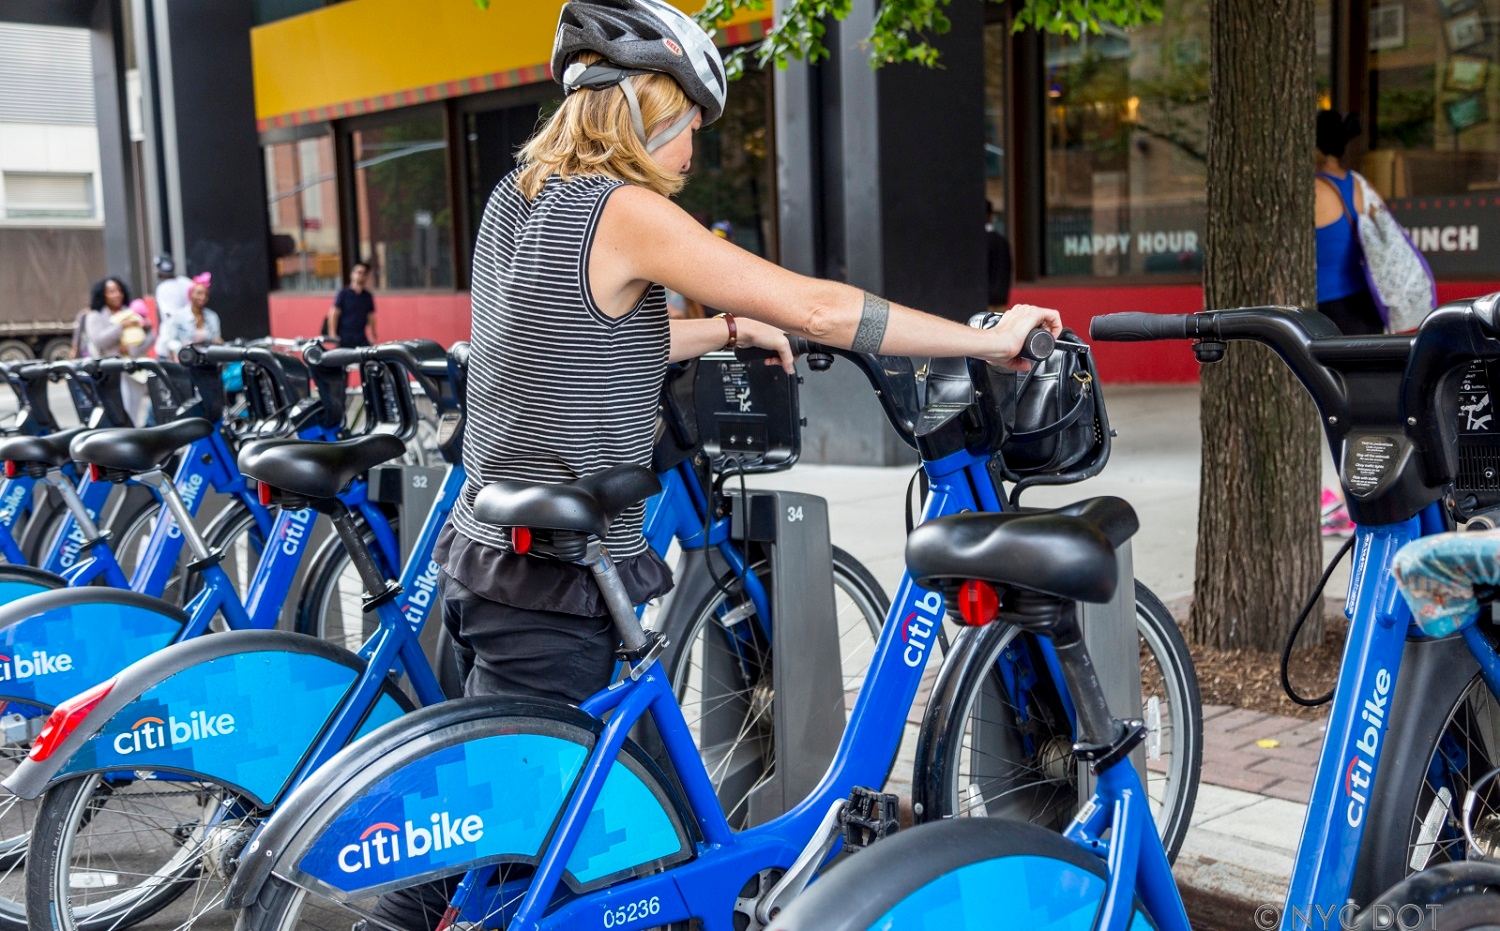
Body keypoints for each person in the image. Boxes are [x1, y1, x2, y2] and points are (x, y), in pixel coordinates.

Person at [373, 2, 1062, 925]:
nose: (698, 136)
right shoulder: (626, 209)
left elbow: (589, 337)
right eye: (693, 112)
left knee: (492, 830)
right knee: (523, 855)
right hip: (561, 580)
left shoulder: (519, 199)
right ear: (651, 104)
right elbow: (819, 307)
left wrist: (728, 327)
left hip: (488, 557)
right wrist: (983, 343)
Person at [1314, 109, 1384, 337]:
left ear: (1315, 147)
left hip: (1326, 312)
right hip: (1366, 307)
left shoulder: (1313, 190)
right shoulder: (1361, 185)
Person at [78, 277, 152, 424]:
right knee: (119, 412)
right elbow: (99, 340)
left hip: (133, 370)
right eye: (111, 291)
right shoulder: (95, 316)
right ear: (102, 295)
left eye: (119, 290)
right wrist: (121, 326)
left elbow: (151, 335)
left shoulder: (131, 312)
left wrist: (131, 349)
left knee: (134, 412)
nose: (117, 294)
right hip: (112, 373)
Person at [155, 271, 222, 358]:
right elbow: (171, 341)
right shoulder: (179, 316)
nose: (203, 297)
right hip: (187, 361)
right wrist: (182, 348)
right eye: (199, 293)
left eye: (206, 294)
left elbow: (216, 339)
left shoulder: (212, 317)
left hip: (207, 361)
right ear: (190, 295)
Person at [327, 261, 376, 347]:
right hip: (344, 338)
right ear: (352, 275)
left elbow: (371, 316)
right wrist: (333, 335)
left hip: (361, 338)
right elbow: (333, 314)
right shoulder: (344, 293)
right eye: (359, 272)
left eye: (364, 273)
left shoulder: (367, 296)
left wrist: (372, 334)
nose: (361, 275)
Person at [152, 254, 192, 341]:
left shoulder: (162, 288)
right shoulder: (187, 281)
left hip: (173, 335)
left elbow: (169, 316)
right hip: (191, 330)